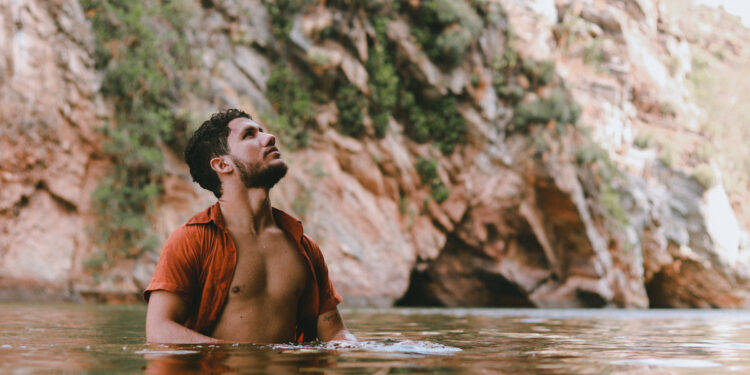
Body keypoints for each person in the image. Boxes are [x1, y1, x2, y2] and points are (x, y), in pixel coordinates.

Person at [144, 109, 355, 344]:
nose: (269, 137)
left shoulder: (303, 246)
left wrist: (349, 347)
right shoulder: (191, 240)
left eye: (262, 132)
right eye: (249, 135)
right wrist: (236, 353)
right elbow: (158, 330)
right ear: (222, 164)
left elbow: (335, 332)